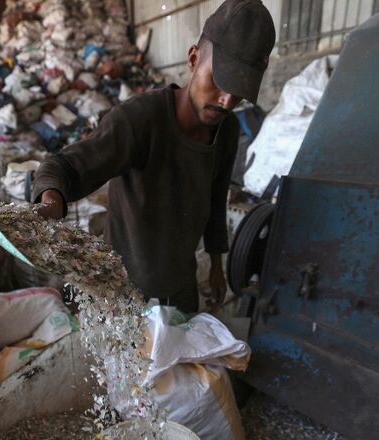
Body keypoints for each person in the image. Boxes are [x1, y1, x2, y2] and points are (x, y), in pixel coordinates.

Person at [33, 0, 275, 313]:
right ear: (192, 59)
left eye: (238, 90)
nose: (227, 100)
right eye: (218, 80)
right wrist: (50, 203)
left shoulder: (225, 130)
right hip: (123, 295)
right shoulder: (138, 121)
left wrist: (217, 263)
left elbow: (216, 199)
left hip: (181, 289)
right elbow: (63, 165)